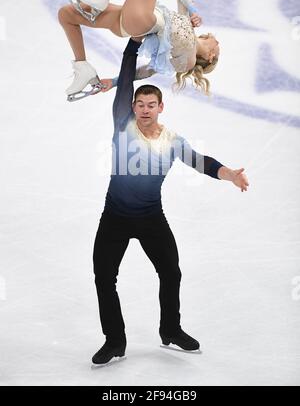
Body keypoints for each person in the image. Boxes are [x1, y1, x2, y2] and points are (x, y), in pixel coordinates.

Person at [91, 37, 249, 366]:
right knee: (105, 278)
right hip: (115, 218)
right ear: (132, 106)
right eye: (140, 104)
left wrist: (228, 174)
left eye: (151, 105)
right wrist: (133, 45)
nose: (145, 109)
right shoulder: (122, 122)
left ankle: (171, 330)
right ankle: (115, 340)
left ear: (160, 107)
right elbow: (124, 75)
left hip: (151, 219)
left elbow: (202, 162)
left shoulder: (172, 141)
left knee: (171, 274)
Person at [58, 0, 220, 100]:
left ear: (211, 56)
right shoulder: (189, 23)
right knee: (65, 14)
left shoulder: (188, 62)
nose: (216, 39)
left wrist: (115, 81)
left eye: (217, 45)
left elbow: (148, 70)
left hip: (141, 21)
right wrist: (193, 11)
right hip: (123, 20)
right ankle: (82, 67)